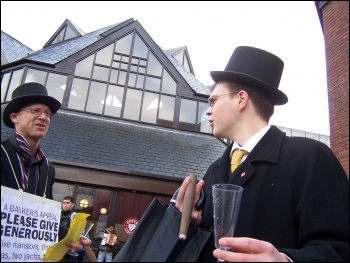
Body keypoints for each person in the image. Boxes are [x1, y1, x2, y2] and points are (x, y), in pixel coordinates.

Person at [174, 46, 349, 262]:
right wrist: (194, 224)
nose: (208, 110)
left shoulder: (310, 158)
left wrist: (285, 260)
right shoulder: (214, 170)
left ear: (241, 99)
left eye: (213, 100)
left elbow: (339, 250)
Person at [1, 82, 91, 255]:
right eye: (35, 111)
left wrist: (72, 238)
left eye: (47, 113)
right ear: (15, 117)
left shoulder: (48, 169)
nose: (43, 117)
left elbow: (44, 220)